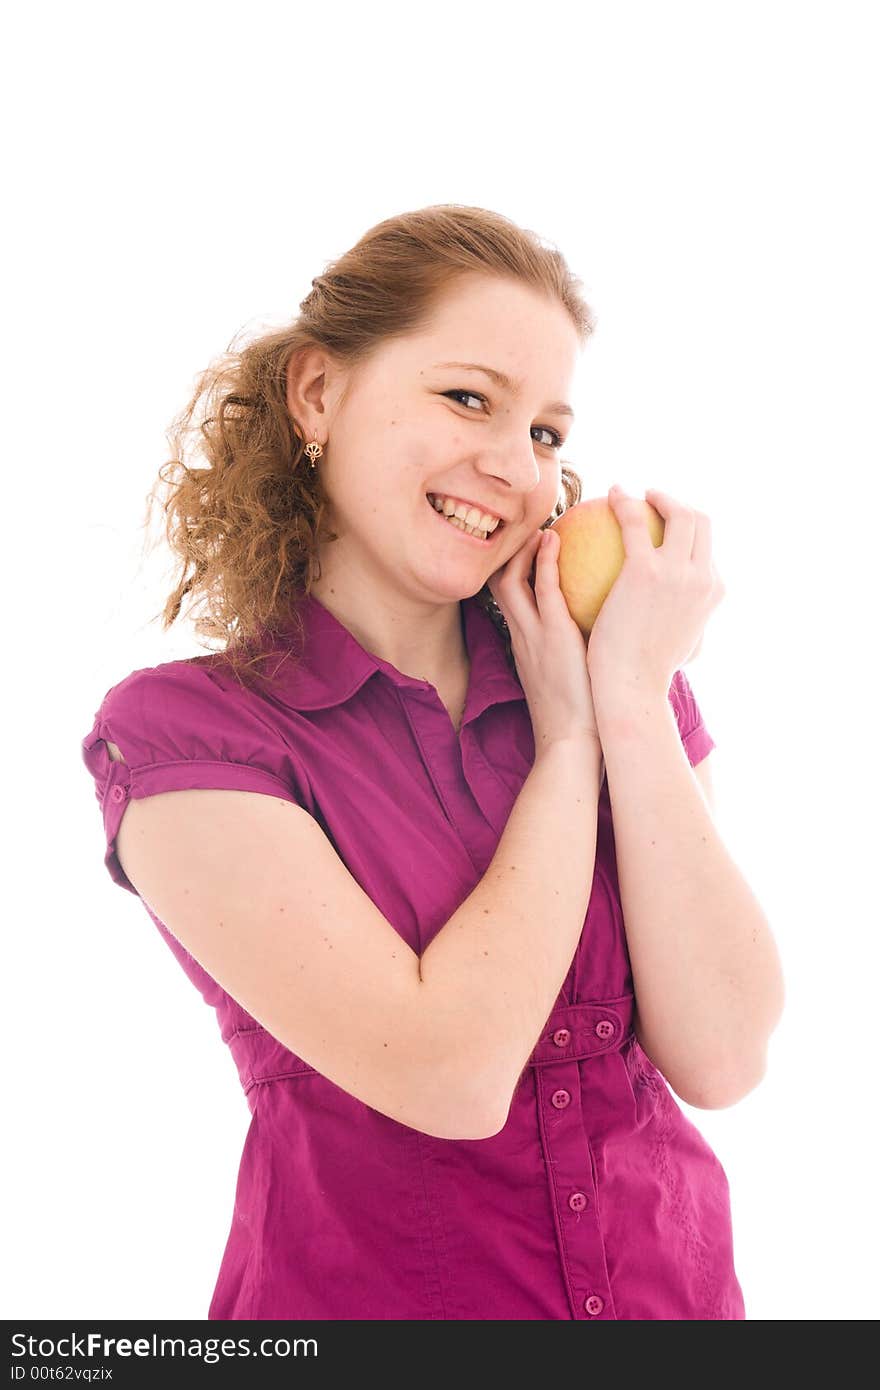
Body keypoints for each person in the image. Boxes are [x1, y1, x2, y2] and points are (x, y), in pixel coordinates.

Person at [80, 204, 784, 1320]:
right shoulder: (188, 735)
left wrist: (630, 707)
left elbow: (725, 1053)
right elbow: (446, 1072)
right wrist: (566, 749)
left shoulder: (620, 682)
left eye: (548, 434)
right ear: (319, 393)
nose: (514, 468)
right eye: (468, 399)